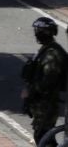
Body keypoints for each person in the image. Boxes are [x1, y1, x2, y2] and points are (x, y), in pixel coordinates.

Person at [22, 16, 68, 146]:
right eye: (37, 30)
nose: (37, 33)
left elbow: (48, 80)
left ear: (50, 32)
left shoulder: (52, 53)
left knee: (43, 135)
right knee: (43, 134)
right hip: (41, 101)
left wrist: (31, 92)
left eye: (41, 31)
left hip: (47, 102)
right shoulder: (46, 49)